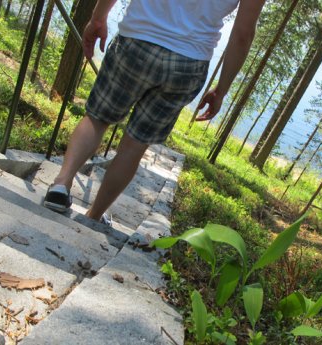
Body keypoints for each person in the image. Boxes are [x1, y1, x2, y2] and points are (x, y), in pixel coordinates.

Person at [43, 0, 266, 224]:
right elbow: (243, 34)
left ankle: (61, 185)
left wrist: (98, 18)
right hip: (188, 62)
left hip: (136, 39)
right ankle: (93, 216)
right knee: (134, 146)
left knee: (97, 119)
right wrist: (221, 90)